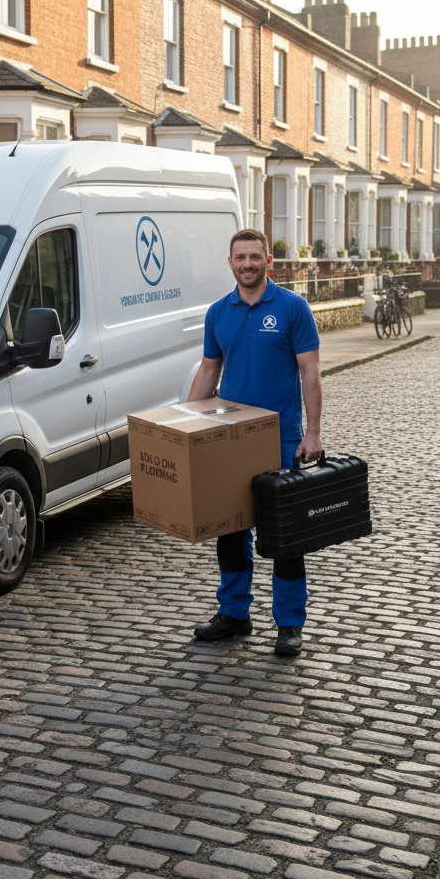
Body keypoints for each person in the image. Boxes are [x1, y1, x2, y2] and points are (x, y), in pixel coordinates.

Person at [187, 227, 323, 657]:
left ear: (269, 261)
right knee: (229, 530)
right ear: (230, 263)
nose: (247, 264)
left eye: (254, 257)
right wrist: (184, 427)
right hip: (229, 440)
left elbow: (310, 372)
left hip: (281, 440)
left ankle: (288, 623)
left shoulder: (292, 308)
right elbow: (210, 371)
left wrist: (313, 432)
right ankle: (234, 613)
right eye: (240, 257)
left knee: (285, 536)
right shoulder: (217, 312)